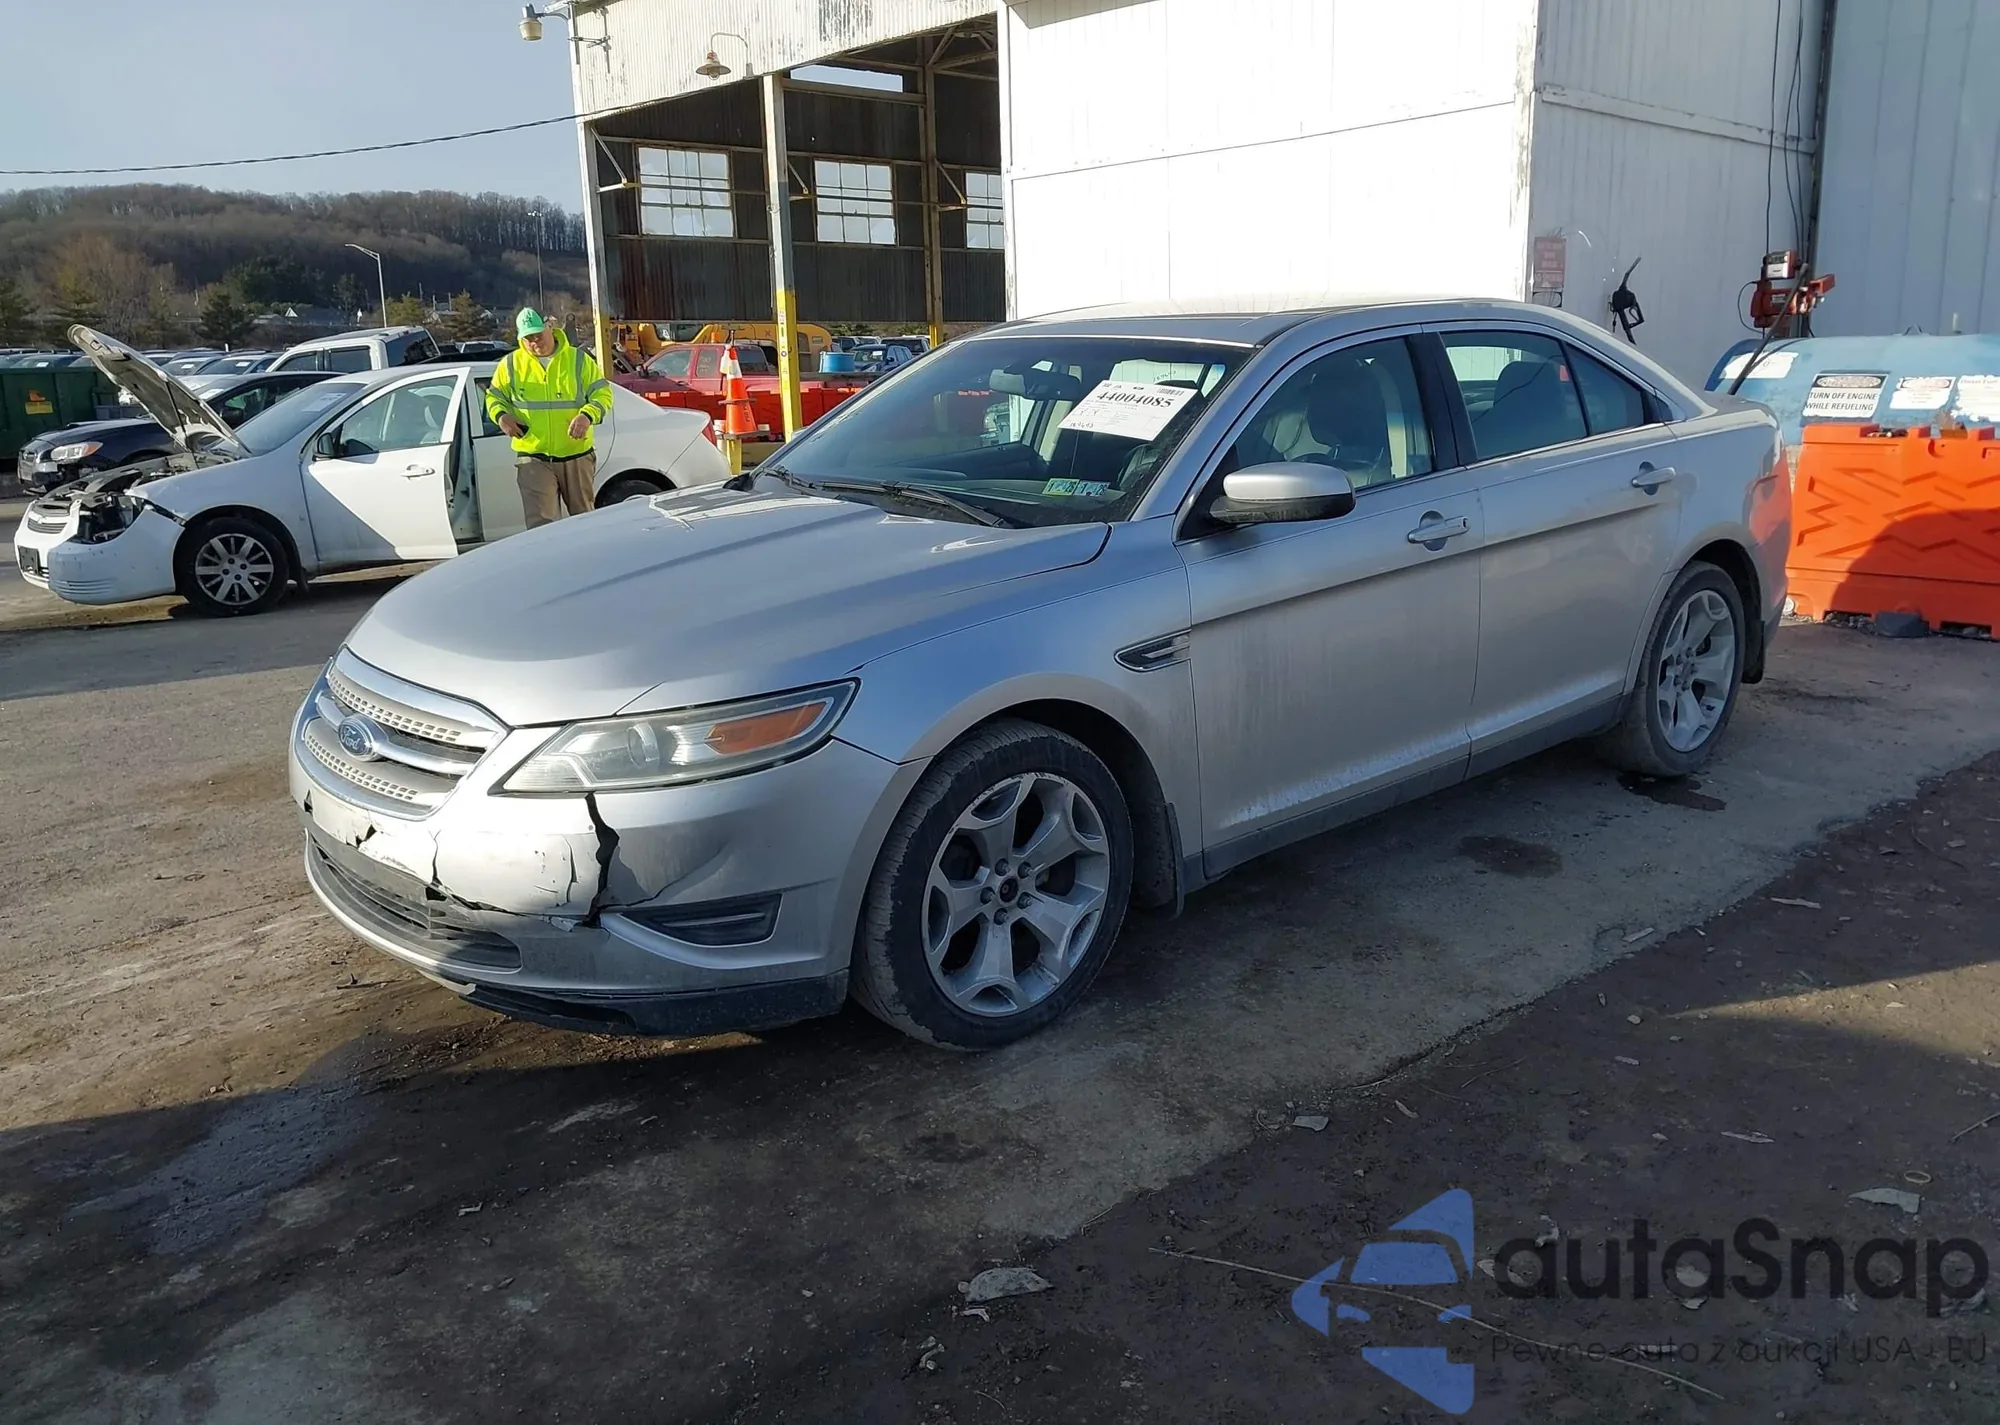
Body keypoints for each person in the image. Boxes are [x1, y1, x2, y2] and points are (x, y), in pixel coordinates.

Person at [486, 308, 616, 527]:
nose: (534, 341)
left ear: (550, 327)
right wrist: (501, 416)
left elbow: (603, 394)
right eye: (528, 338)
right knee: (541, 526)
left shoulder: (578, 360)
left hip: (576, 454)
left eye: (538, 334)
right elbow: (494, 397)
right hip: (533, 457)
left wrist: (587, 415)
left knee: (585, 521)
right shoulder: (510, 365)